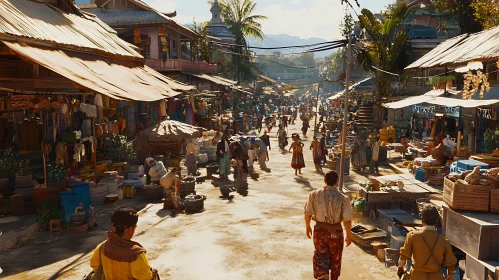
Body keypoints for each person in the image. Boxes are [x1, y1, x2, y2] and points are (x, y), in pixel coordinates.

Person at [304, 171, 353, 280]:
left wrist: (307, 226)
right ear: (337, 182)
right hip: (336, 233)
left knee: (320, 257)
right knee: (336, 259)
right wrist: (349, 236)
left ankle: (323, 276)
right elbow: (347, 220)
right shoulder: (343, 198)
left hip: (320, 231)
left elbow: (307, 213)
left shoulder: (314, 194)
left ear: (324, 181)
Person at [90, 208, 158, 280]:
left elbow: (94, 265)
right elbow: (145, 277)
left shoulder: (102, 247)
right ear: (130, 229)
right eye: (135, 227)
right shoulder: (136, 254)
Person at [398, 204, 457, 280]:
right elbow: (450, 263)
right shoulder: (444, 241)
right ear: (436, 221)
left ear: (422, 220)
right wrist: (450, 275)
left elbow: (403, 257)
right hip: (436, 277)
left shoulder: (412, 236)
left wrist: (400, 268)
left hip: (417, 276)